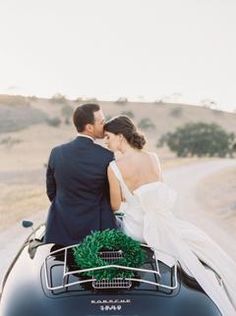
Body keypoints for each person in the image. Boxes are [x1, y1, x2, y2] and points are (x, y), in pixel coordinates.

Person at [103, 115, 236, 316]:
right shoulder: (153, 158)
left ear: (120, 137)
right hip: (163, 221)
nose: (106, 141)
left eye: (108, 137)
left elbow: (114, 205)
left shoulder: (114, 167)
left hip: (138, 228)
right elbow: (159, 190)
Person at [45, 103, 116, 246]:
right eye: (102, 122)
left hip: (60, 230)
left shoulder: (57, 152)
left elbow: (51, 192)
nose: (105, 125)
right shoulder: (107, 156)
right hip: (97, 233)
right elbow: (111, 196)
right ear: (89, 127)